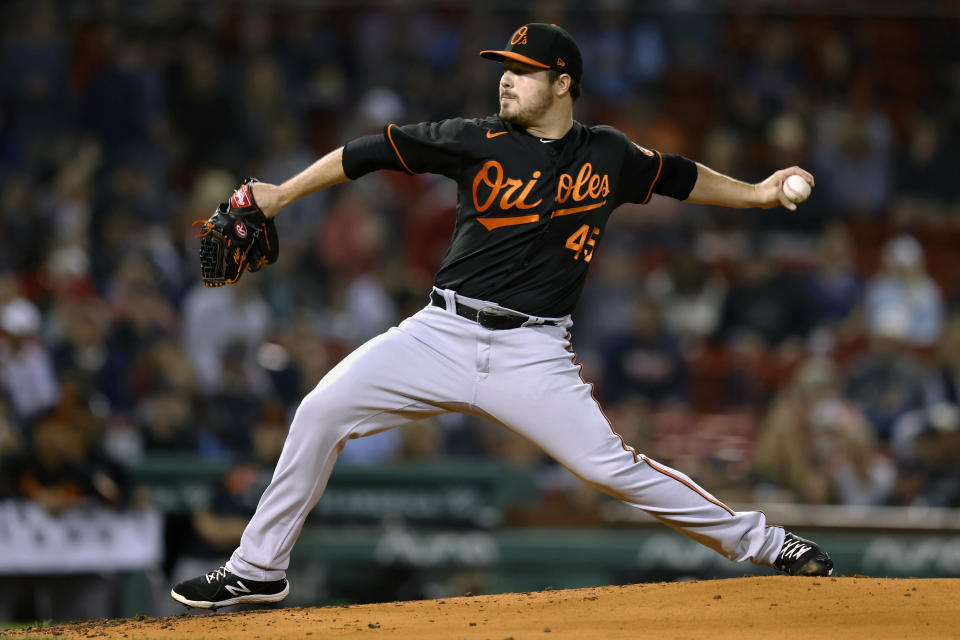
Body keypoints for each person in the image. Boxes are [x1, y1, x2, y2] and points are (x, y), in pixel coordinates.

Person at [171, 23, 833, 610]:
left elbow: (678, 176)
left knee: (609, 467)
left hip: (533, 353)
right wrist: (281, 194)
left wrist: (758, 194)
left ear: (563, 83)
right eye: (504, 70)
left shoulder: (607, 154)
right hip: (441, 332)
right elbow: (367, 152)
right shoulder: (474, 140)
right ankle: (258, 570)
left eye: (521, 72)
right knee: (320, 412)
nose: (506, 82)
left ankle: (768, 543)